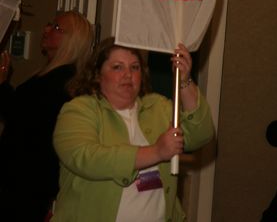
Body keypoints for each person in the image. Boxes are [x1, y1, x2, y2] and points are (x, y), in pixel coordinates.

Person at [51, 37, 215, 221]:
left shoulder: (157, 107)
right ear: (97, 74)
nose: (128, 74)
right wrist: (156, 152)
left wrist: (184, 81)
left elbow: (201, 134)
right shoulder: (78, 110)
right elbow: (86, 158)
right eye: (117, 67)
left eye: (134, 67)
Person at [0, 10, 94, 222]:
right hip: (21, 187)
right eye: (50, 24)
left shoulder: (62, 83)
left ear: (71, 42)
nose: (46, 29)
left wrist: (2, 85)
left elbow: (21, 119)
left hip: (25, 189)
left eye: (56, 28)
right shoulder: (51, 76)